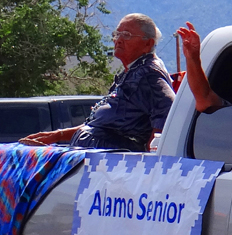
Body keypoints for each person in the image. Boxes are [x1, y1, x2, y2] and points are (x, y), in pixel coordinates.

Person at [20, 14, 174, 150]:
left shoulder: (148, 73)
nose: (118, 40)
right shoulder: (131, 72)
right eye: (117, 34)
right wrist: (55, 136)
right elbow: (99, 125)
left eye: (126, 35)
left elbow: (168, 109)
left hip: (119, 166)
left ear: (148, 44)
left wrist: (153, 154)